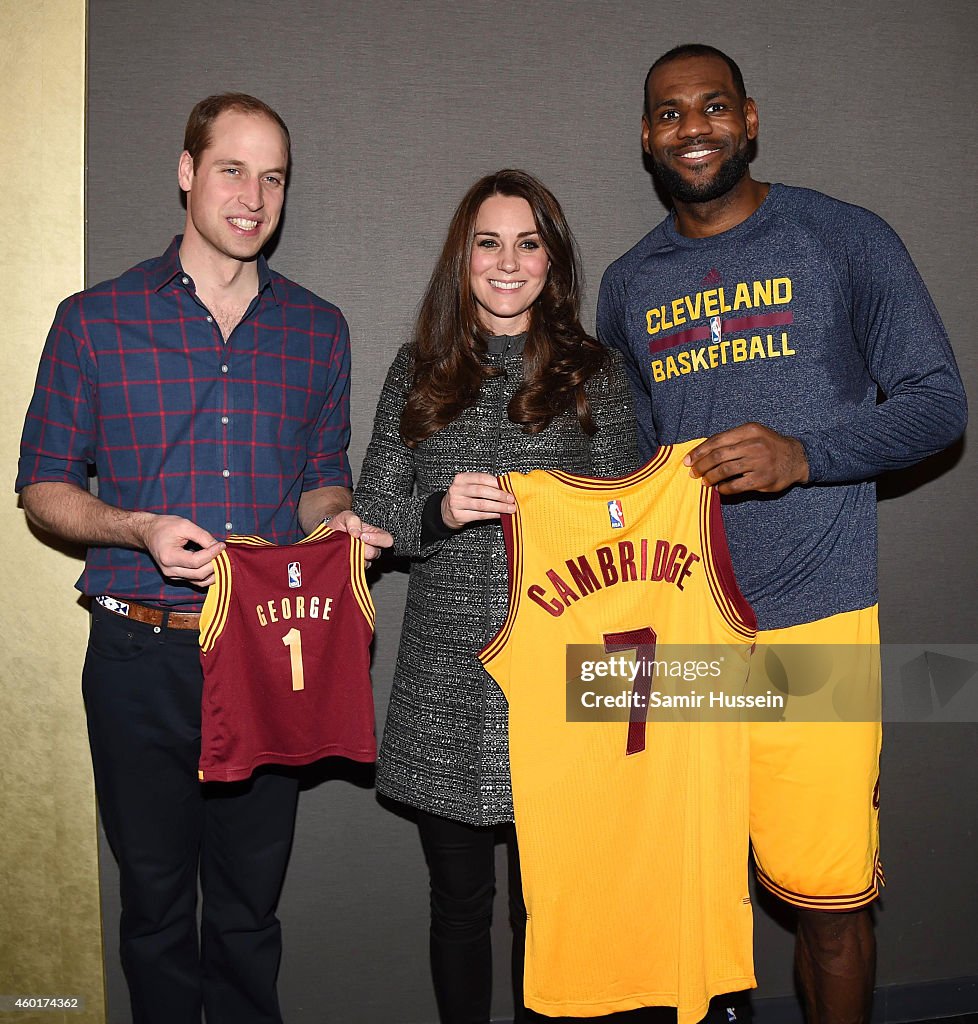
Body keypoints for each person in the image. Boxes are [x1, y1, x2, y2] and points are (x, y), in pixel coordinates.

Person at [597, 44, 967, 1024]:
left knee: (829, 906)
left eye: (713, 106)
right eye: (670, 114)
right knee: (690, 907)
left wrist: (806, 453)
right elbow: (630, 468)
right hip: (680, 640)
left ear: (750, 119)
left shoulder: (844, 239)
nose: (694, 127)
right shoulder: (629, 284)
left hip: (816, 627)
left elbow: (939, 405)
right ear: (646, 137)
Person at [16, 93, 390, 1024]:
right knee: (151, 907)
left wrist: (336, 521)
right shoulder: (93, 321)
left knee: (248, 911)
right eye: (232, 169)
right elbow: (43, 488)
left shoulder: (318, 328)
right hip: (138, 652)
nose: (252, 195)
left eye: (273, 177)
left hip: (266, 652)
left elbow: (320, 477)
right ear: (187, 172)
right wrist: (138, 528)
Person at [337, 169, 638, 1023]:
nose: (509, 263)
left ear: (554, 258)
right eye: (488, 242)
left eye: (528, 242)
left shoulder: (596, 373)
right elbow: (371, 516)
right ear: (461, 258)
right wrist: (440, 509)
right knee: (460, 910)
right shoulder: (419, 370)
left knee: (551, 911)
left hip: (564, 678)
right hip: (447, 681)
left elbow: (630, 520)